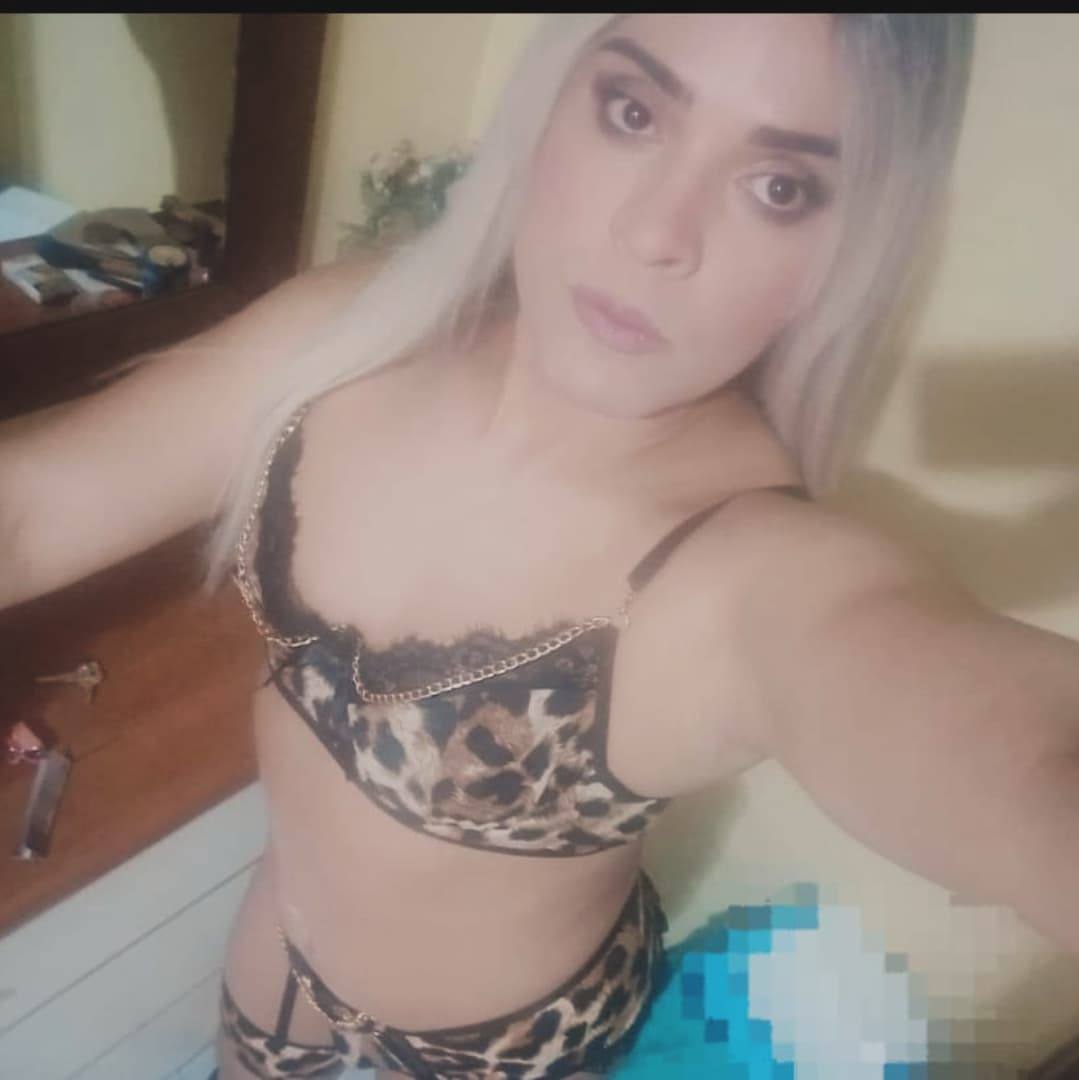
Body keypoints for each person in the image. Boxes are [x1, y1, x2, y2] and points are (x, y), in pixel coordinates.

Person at [3, 13, 1078, 1079]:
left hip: (512, 1051)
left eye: (779, 188)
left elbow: (1015, 760)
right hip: (279, 958)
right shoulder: (354, 336)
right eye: (632, 111)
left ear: (851, 250)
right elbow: (30, 510)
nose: (656, 233)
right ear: (552, 95)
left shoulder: (752, 570)